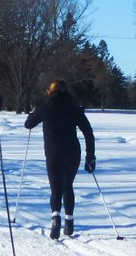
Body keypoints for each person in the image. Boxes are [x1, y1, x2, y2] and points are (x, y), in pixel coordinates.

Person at [24, 79, 96, 239]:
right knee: (67, 186)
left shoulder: (45, 107)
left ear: (50, 91)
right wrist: (90, 156)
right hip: (72, 153)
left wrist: (34, 112)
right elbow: (88, 133)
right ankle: (69, 222)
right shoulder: (74, 108)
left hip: (53, 153)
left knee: (55, 188)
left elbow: (28, 124)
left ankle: (56, 219)